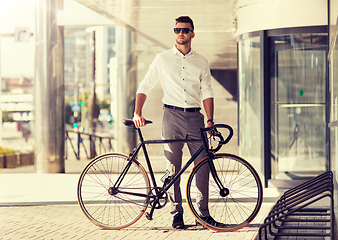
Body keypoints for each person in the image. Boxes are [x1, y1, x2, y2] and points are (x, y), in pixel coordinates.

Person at [133, 16, 217, 229]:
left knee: (203, 165)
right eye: (177, 29)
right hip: (171, 117)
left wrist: (210, 120)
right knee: (173, 168)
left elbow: (206, 91)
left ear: (192, 34)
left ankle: (203, 214)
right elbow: (144, 86)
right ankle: (176, 214)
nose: (180, 33)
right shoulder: (162, 59)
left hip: (196, 117)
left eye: (185, 30)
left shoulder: (201, 61)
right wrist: (137, 112)